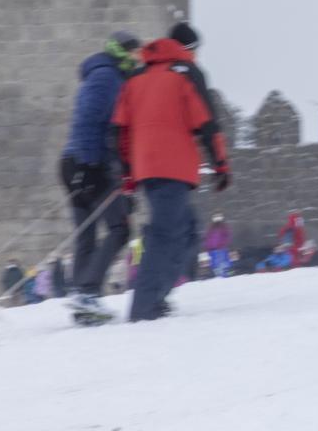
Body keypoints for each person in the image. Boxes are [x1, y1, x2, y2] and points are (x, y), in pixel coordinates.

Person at [112, 22, 231, 322]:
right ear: (189, 49)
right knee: (165, 235)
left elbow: (120, 130)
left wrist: (127, 175)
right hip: (173, 166)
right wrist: (220, 164)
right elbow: (206, 121)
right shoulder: (186, 73)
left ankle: (157, 297)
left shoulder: (136, 77)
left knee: (188, 231)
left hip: (146, 168)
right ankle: (143, 308)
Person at [57, 31, 142, 324]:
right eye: (134, 52)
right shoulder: (107, 77)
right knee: (119, 229)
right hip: (87, 163)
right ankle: (87, 291)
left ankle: (83, 300)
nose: (137, 58)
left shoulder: (109, 76)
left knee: (87, 234)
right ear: (122, 52)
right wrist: (88, 167)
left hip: (79, 163)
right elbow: (88, 121)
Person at [203, 213, 233, 278]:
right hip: (212, 250)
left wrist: (223, 244)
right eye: (215, 217)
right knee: (214, 264)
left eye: (218, 216)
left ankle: (226, 275)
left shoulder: (224, 226)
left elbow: (227, 236)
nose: (217, 218)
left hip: (221, 248)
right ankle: (217, 275)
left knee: (223, 262)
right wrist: (207, 247)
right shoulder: (211, 227)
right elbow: (207, 238)